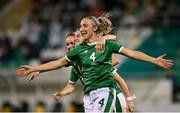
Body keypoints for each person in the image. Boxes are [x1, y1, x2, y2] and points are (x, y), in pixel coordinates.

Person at [16, 13, 173, 112]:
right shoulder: (78, 52)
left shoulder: (106, 45)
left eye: (85, 26)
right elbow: (58, 62)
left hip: (107, 91)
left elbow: (131, 53)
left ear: (94, 29)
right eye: (80, 26)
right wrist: (34, 68)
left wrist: (154, 60)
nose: (81, 29)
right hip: (88, 95)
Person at [53, 31, 134, 112]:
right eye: (67, 44)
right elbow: (70, 86)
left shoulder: (94, 61)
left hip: (114, 97)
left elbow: (118, 75)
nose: (69, 46)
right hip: (99, 98)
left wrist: (129, 99)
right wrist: (61, 93)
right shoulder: (76, 67)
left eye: (72, 43)